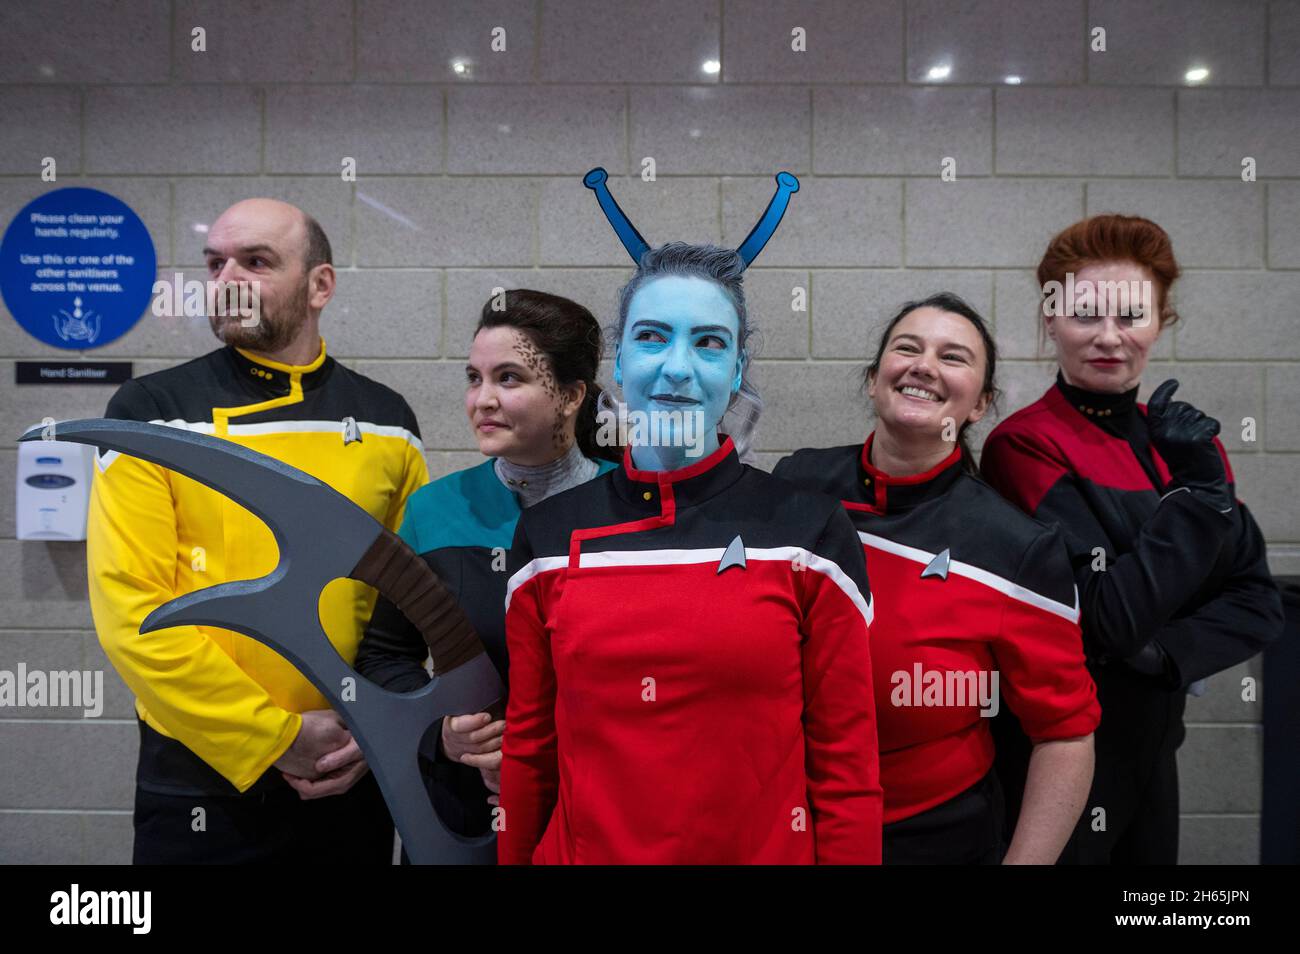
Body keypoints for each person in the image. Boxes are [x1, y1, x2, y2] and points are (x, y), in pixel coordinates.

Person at [496, 242, 882, 864]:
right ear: (618, 361)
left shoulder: (810, 535)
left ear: (736, 370)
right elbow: (529, 751)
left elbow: (846, 770)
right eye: (652, 337)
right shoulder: (545, 539)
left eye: (709, 343)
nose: (678, 366)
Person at [87, 198, 428, 864]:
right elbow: (135, 612)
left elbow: (401, 611)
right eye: (214, 263)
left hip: (350, 768)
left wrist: (373, 724)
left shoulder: (387, 421)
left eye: (257, 261)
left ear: (320, 285)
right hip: (201, 774)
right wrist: (271, 736)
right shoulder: (147, 413)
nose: (227, 280)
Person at [980, 214, 1284, 864]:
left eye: (1132, 315)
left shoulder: (1190, 443)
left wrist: (1164, 656)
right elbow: (1107, 619)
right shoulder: (1025, 445)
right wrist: (1198, 502)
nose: (1109, 337)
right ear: (1051, 320)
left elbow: (1257, 601)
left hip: (1156, 744)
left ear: (1161, 320)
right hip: (1061, 752)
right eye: (1086, 314)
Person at [774, 293, 1098, 864]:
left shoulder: (1019, 548)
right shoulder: (798, 483)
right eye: (907, 348)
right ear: (875, 381)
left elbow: (1065, 734)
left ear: (980, 404)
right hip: (784, 818)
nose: (924, 365)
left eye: (953, 357)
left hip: (932, 834)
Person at [354, 288, 619, 845]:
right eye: (474, 378)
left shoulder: (627, 510)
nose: (483, 399)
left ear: (570, 395)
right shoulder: (433, 510)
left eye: (510, 378)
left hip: (600, 808)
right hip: (464, 817)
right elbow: (382, 656)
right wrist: (442, 734)